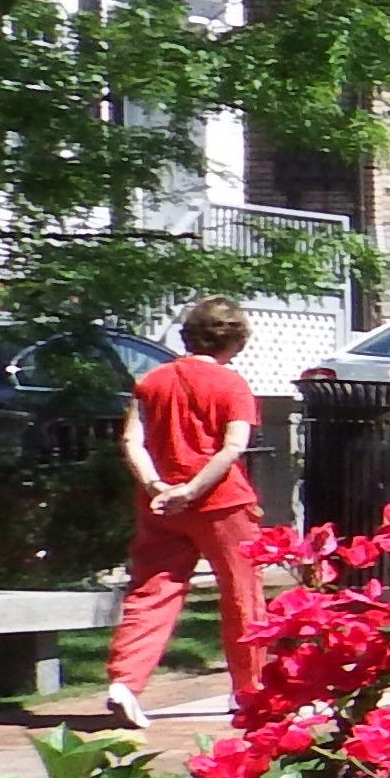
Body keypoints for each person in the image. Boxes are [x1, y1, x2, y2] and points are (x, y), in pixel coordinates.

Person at [106, 299, 266, 731]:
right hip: (223, 504)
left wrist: (157, 485)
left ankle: (126, 681)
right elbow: (233, 448)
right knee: (242, 597)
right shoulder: (232, 385)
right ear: (234, 341)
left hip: (160, 507)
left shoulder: (152, 381)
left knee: (151, 591)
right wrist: (192, 489)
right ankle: (249, 691)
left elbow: (131, 442)